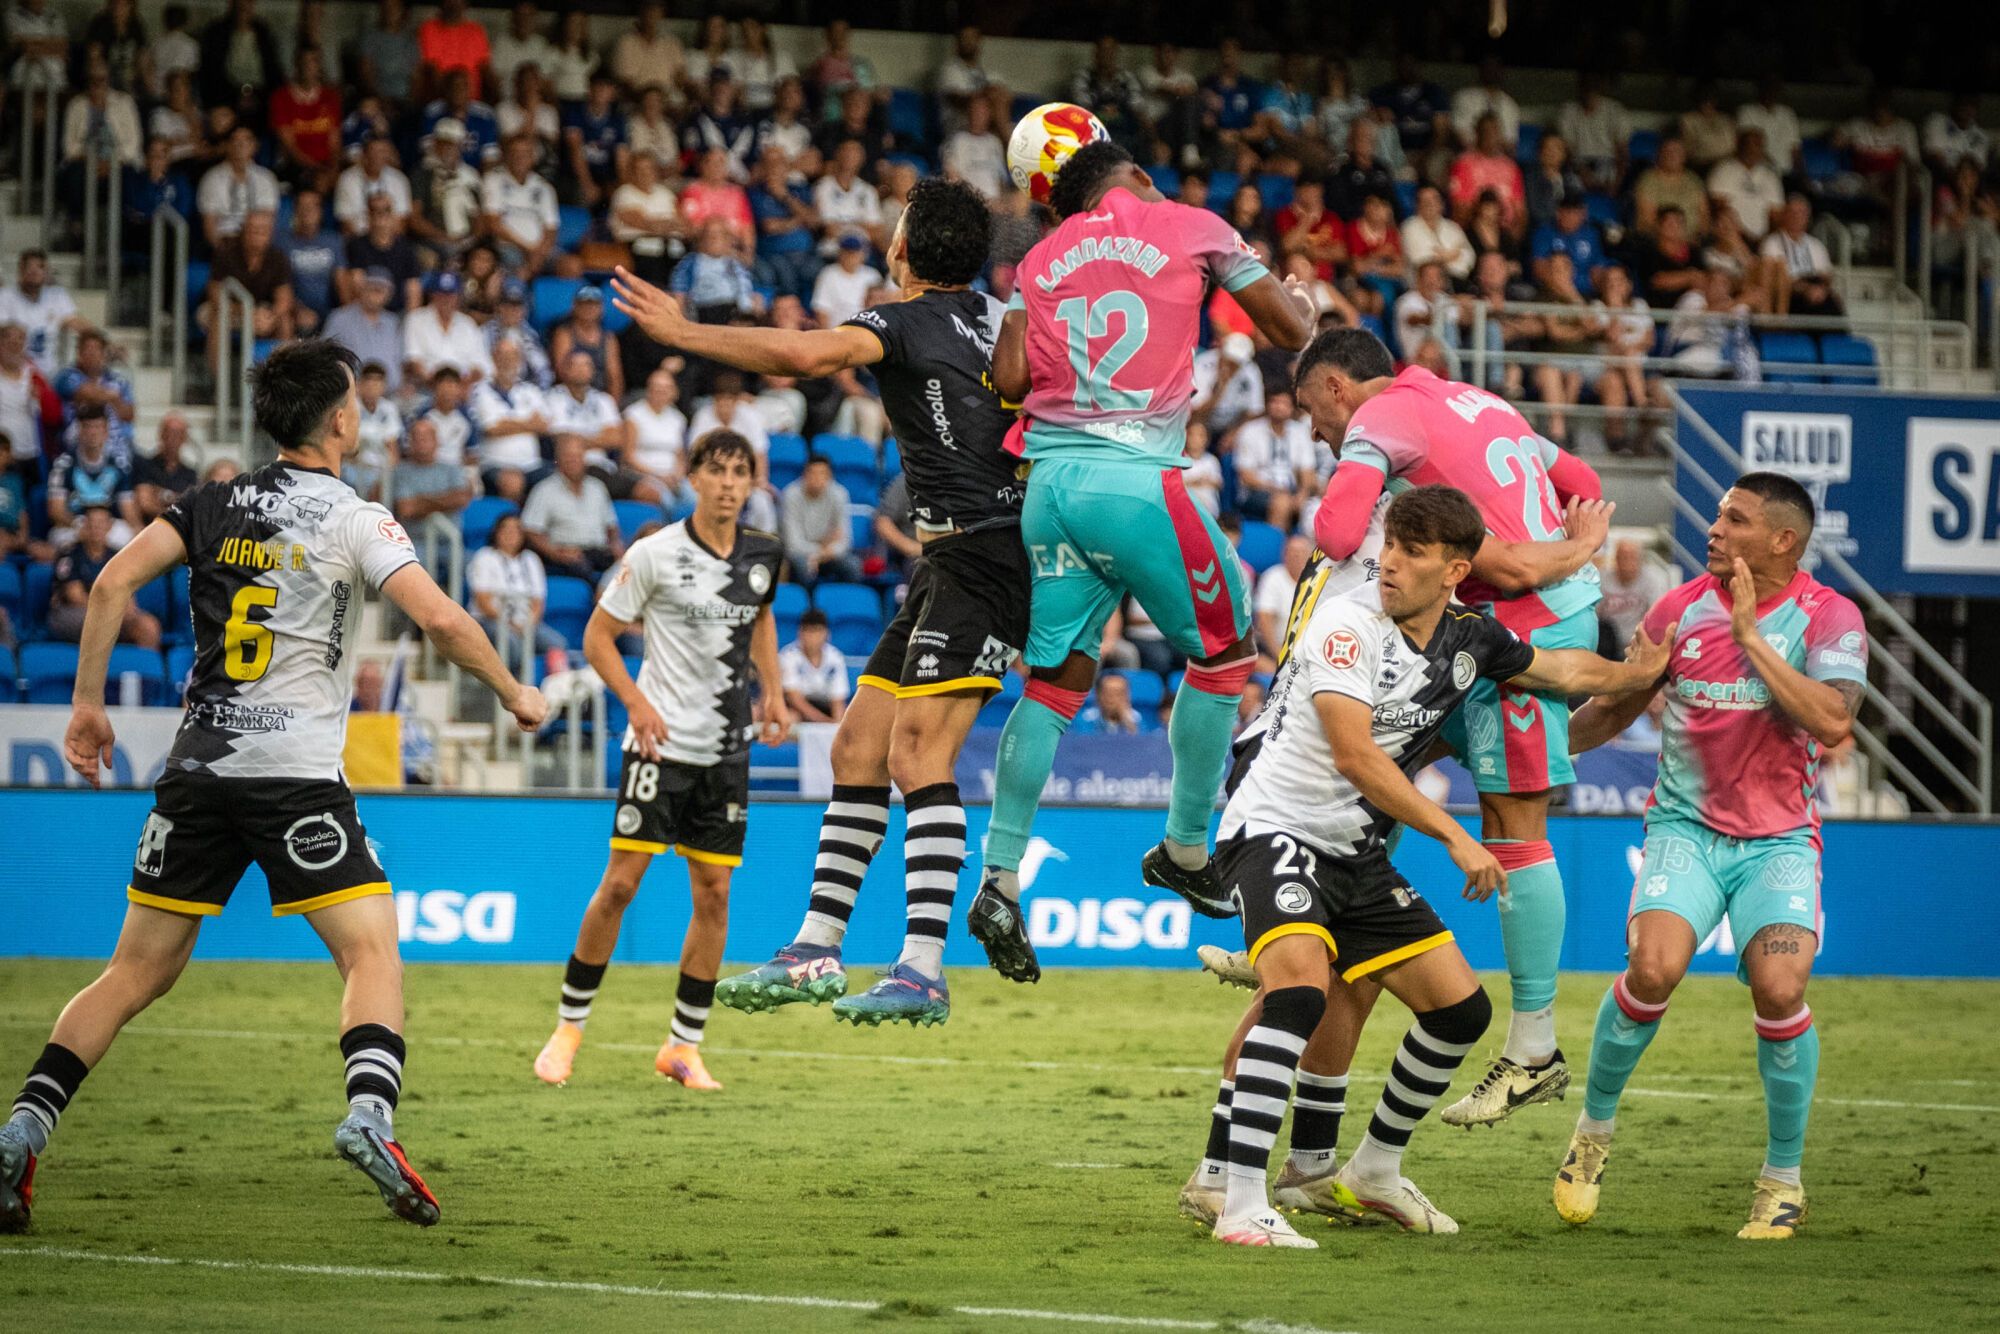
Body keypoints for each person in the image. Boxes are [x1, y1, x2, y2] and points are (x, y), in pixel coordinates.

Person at [0, 339, 546, 1236]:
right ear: (337, 418)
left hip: (198, 772)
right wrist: (514, 691)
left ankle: (24, 1126)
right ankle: (370, 1114)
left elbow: (106, 585)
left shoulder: (207, 503)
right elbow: (441, 619)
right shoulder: (355, 517)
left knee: (133, 972)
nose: (362, 414)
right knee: (371, 952)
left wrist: (86, 710)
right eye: (358, 402)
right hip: (294, 779)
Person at [1194, 483, 1666, 1246]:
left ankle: (1374, 1169)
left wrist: (1637, 672)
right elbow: (1354, 755)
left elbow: (1561, 672)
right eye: (1390, 545)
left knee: (1460, 1011)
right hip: (1277, 830)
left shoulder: (1470, 638)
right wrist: (1456, 835)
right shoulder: (1345, 626)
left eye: (1413, 553)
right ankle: (1241, 1203)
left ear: (1453, 570)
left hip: (1354, 851)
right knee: (1297, 995)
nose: (1389, 563)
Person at [614, 178, 1028, 1025]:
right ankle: (815, 949)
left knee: (918, 757)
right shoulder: (1000, 319)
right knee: (857, 748)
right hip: (955, 560)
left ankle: (921, 968)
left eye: (898, 225)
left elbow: (804, 358)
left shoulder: (901, 319)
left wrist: (683, 331)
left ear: (905, 247)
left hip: (986, 559)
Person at [969, 139, 1313, 966]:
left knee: (1055, 683)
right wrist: (1293, 296)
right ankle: (1187, 850)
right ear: (1140, 179)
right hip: (1134, 477)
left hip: (1049, 486)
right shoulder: (1188, 223)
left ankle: (1001, 874)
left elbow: (1010, 381)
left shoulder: (1043, 258)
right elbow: (1290, 331)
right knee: (1227, 655)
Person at [1298, 327, 1609, 1127]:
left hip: (1526, 624)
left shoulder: (1384, 420)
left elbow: (1333, 533)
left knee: (1513, 823)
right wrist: (1570, 543)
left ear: (1337, 387)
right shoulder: (1475, 400)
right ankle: (1300, 922)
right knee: (1384, 758)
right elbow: (1577, 475)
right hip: (1498, 614)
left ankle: (1534, 1048)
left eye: (1311, 409)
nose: (1313, 430)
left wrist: (1553, 561)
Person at [1553, 473, 1866, 1241]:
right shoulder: (1677, 608)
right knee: (1652, 969)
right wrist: (1530, 755)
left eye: (1736, 518)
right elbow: (1615, 710)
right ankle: (1591, 1135)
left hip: (1779, 841)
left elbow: (1832, 719)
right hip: (1685, 831)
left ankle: (1781, 1181)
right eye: (1720, 515)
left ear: (1783, 541)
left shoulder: (1830, 616)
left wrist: (1753, 637)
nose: (1715, 528)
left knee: (1780, 987)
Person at [531, 429, 786, 1091]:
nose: (729, 483)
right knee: (620, 886)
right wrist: (635, 703)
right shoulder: (655, 553)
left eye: (740, 472)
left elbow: (759, 617)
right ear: (693, 477)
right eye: (717, 470)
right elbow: (598, 638)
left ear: (751, 483)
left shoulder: (764, 554)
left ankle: (683, 1045)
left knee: (715, 894)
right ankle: (567, 1028)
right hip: (658, 747)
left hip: (726, 750)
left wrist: (776, 693)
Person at [467, 509, 565, 673]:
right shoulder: (484, 557)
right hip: (491, 620)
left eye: (516, 530)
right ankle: (515, 691)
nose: (511, 534)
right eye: (506, 530)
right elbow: (483, 601)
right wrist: (509, 623)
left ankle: (557, 691)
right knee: (512, 644)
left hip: (525, 621)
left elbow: (538, 602)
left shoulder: (531, 559)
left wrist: (527, 624)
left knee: (557, 644)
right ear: (496, 533)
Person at [47, 505, 159, 645]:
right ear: (84, 526)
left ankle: (141, 666)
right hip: (72, 613)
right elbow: (75, 597)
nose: (96, 528)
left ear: (109, 526)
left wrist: (128, 613)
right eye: (91, 523)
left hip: (111, 614)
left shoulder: (119, 556)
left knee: (148, 626)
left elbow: (128, 597)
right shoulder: (70, 554)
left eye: (101, 523)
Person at [522, 435, 620, 580]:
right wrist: (555, 553)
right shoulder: (544, 490)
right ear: (558, 461)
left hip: (598, 551)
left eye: (577, 456)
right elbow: (531, 530)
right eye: (568, 456)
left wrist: (615, 545)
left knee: (629, 568)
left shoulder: (597, 487)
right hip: (566, 554)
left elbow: (611, 526)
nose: (573, 460)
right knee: (585, 572)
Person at [468, 339, 548, 502]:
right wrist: (528, 423)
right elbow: (492, 428)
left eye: (513, 356)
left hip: (532, 464)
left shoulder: (530, 390)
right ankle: (511, 526)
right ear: (494, 358)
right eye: (502, 355)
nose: (508, 361)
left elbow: (544, 425)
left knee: (558, 480)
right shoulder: (480, 390)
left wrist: (508, 423)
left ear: (519, 359)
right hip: (495, 464)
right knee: (512, 482)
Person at [0, 250, 87, 376]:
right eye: (29, 267)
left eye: (40, 267)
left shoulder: (57, 295)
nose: (34, 271)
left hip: (50, 374)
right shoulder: (5, 297)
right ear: (20, 271)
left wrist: (106, 343)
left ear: (47, 272)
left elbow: (77, 323)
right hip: (16, 372)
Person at [195, 123, 280, 248]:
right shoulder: (212, 178)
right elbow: (209, 227)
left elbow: (268, 221)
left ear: (254, 146)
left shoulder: (266, 178)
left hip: (256, 244)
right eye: (235, 140)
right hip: (224, 242)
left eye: (246, 140)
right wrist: (224, 253)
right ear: (227, 145)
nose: (240, 145)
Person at [779, 455, 858, 585]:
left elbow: (845, 540)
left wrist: (823, 554)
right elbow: (793, 544)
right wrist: (821, 549)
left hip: (829, 554)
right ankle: (805, 603)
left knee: (853, 566)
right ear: (804, 474)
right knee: (803, 567)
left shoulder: (840, 494)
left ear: (830, 476)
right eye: (812, 473)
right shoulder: (791, 494)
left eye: (822, 474)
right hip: (801, 554)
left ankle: (838, 602)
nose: (817, 478)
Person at [401, 271, 490, 385]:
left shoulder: (467, 323)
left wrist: (461, 386)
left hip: (464, 389)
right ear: (432, 295)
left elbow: (481, 365)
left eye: (450, 295)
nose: (446, 300)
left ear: (458, 297)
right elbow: (413, 361)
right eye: (441, 294)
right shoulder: (416, 319)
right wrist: (440, 386)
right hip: (426, 388)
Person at [1598, 537, 1671, 649]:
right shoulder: (1602, 580)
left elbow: (1657, 614)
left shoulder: (1654, 579)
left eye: (1632, 557)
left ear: (1640, 559)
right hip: (1608, 642)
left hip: (1639, 641)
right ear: (1616, 559)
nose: (1627, 562)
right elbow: (1594, 614)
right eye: (1623, 557)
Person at [779, 608, 848, 723]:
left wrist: (837, 725)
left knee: (851, 718)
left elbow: (838, 700)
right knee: (790, 718)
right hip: (798, 708)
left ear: (827, 634)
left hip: (825, 706)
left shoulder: (835, 657)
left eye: (817, 631)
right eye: (809, 631)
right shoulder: (788, 656)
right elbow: (794, 698)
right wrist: (824, 722)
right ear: (800, 633)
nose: (813, 637)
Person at [133, 411, 197, 522]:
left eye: (178, 434)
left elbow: (191, 507)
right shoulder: (145, 466)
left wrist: (158, 496)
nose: (173, 438)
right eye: (169, 432)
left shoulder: (190, 474)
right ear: (161, 434)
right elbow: (145, 504)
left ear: (185, 438)